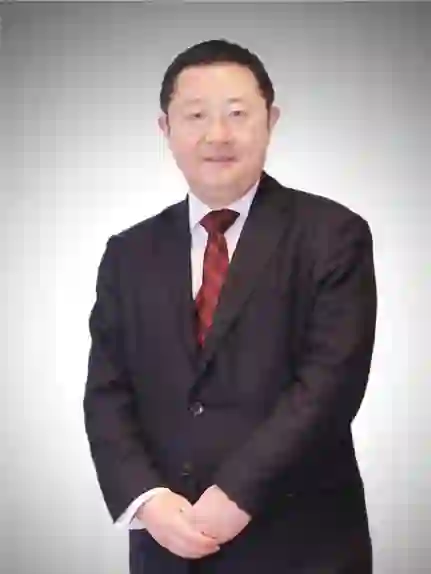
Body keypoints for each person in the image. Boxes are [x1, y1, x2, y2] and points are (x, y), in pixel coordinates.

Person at [83, 39, 377, 574]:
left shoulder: (332, 235)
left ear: (271, 120)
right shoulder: (128, 253)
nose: (217, 134)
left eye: (237, 114)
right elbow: (107, 392)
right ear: (166, 129)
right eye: (196, 115)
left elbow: (329, 385)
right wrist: (146, 499)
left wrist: (239, 492)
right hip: (167, 548)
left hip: (302, 545)